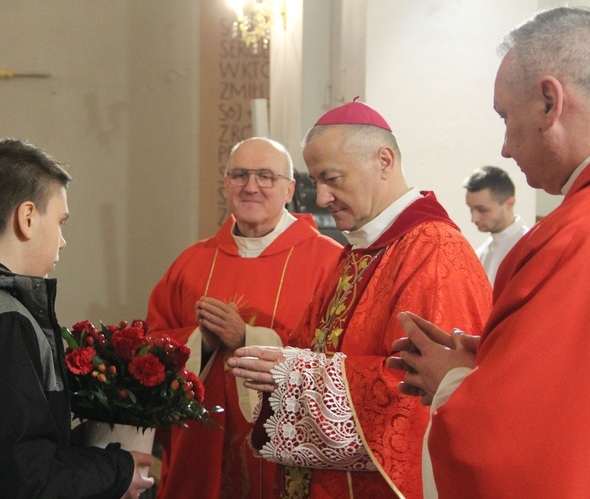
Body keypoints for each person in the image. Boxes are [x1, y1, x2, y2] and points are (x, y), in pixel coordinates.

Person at [388, 6, 590, 498]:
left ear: (550, 102)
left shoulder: (584, 234)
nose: (505, 148)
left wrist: (453, 382)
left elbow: (517, 457)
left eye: (506, 117)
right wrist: (493, 359)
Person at [227, 100, 492, 499]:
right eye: (316, 181)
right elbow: (306, 349)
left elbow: (419, 394)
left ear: (383, 160)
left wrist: (294, 376)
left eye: (332, 178)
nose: (321, 198)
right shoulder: (357, 252)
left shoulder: (435, 252)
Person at [0, 138, 154, 497]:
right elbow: (23, 484)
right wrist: (118, 470)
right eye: (60, 221)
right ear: (27, 217)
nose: (63, 240)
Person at [146, 137, 343, 498]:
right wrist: (200, 341)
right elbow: (150, 355)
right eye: (240, 175)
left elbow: (338, 362)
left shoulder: (330, 263)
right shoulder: (192, 263)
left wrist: (248, 339)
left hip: (286, 459)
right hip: (200, 454)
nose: (251, 186)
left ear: (289, 189)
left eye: (266, 176)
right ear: (226, 184)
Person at [463, 165, 530, 285]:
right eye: (471, 209)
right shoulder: (480, 254)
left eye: (482, 210)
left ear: (509, 203)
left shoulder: (529, 247)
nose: (474, 218)